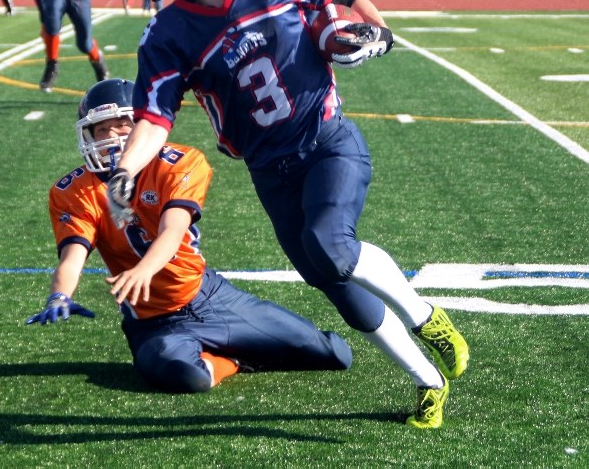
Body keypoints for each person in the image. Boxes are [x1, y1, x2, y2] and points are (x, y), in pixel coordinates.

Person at [108, 0, 469, 428]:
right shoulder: (167, 33)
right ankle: (429, 381)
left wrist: (368, 32)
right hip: (268, 170)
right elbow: (155, 118)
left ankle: (425, 316)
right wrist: (128, 166)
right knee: (333, 284)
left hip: (326, 141)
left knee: (330, 244)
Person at [26, 78, 353, 394]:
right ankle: (233, 360)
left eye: (122, 125)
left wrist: (144, 269)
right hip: (154, 322)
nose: (112, 136)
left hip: (209, 298)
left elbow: (172, 230)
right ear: (86, 135)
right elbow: (72, 257)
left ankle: (237, 344)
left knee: (335, 354)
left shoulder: (179, 162)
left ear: (142, 126)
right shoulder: (75, 190)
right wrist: (60, 295)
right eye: (101, 129)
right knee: (186, 375)